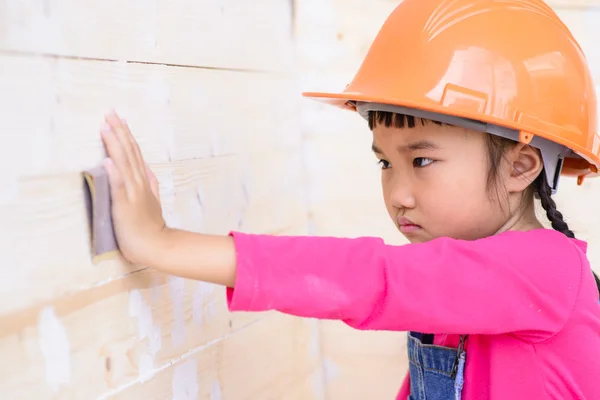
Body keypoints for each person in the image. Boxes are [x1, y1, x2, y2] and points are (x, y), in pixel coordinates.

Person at [98, 0, 600, 398]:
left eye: (421, 161)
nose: (397, 194)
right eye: (386, 163)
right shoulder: (468, 290)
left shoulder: (546, 267)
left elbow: (371, 279)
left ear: (520, 166)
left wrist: (162, 244)